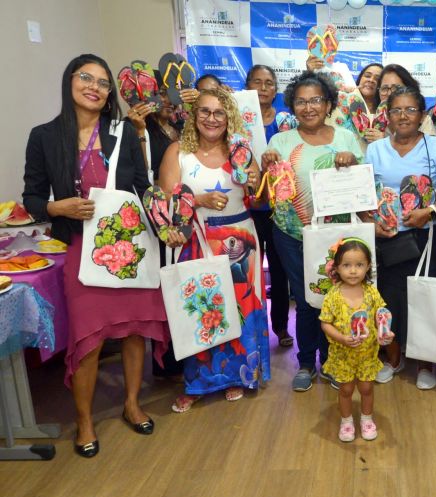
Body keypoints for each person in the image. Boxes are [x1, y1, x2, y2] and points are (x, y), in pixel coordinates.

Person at [22, 54, 170, 457]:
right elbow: (32, 197)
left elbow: (142, 185)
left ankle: (132, 403)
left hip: (130, 247)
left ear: (110, 94)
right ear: (69, 81)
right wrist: (57, 208)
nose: (94, 86)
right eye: (86, 77)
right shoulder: (45, 136)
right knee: (88, 339)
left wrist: (165, 219)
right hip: (79, 250)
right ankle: (85, 420)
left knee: (135, 330)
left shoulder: (122, 131)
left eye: (104, 82)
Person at [159, 87, 270, 413]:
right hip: (198, 239)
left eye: (219, 113)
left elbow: (261, 202)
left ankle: (238, 376)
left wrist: (257, 182)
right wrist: (199, 200)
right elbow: (165, 205)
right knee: (200, 312)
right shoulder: (177, 152)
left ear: (229, 117)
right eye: (204, 111)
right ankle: (198, 383)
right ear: (195, 116)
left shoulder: (241, 152)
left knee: (240, 312)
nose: (211, 118)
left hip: (241, 241)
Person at [262, 71, 363, 392]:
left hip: (338, 237)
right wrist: (266, 164)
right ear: (292, 106)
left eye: (316, 100)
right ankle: (306, 362)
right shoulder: (280, 141)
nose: (308, 107)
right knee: (307, 299)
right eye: (301, 102)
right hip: (291, 233)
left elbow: (363, 187)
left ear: (329, 103)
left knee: (335, 297)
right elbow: (269, 188)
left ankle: (333, 361)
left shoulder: (346, 137)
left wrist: (352, 161)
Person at [365, 87, 436, 390]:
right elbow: (365, 195)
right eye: (395, 110)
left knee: (425, 300)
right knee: (388, 302)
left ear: (422, 115)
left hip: (427, 240)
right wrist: (372, 223)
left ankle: (426, 363)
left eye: (410, 110)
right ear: (386, 116)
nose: (403, 116)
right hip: (387, 239)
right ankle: (393, 358)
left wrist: (428, 212)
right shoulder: (375, 149)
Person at [126, 72, 186, 381]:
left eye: (170, 93)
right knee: (164, 286)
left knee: (184, 283)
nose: (164, 99)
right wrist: (138, 129)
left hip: (185, 215)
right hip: (155, 213)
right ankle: (166, 362)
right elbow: (143, 170)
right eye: (158, 94)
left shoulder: (181, 126)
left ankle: (188, 353)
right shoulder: (142, 127)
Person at [320, 239, 394, 442]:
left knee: (367, 388)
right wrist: (342, 338)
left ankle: (367, 419)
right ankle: (346, 421)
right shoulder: (333, 296)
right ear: (337, 267)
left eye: (359, 265)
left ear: (368, 266)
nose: (353, 271)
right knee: (345, 389)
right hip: (343, 355)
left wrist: (386, 331)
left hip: (367, 353)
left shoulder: (371, 292)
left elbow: (381, 314)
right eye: (346, 265)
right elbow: (325, 323)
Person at [244, 64, 293, 348]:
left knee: (279, 269)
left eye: (269, 83)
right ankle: (253, 326)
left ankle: (281, 327)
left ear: (276, 89)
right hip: (247, 209)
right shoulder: (237, 121)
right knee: (249, 271)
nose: (263, 88)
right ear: (247, 86)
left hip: (279, 210)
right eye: (257, 82)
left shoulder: (286, 121)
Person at [376, 64, 435, 135]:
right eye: (384, 88)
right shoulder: (373, 120)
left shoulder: (422, 118)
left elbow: (431, 145)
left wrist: (384, 142)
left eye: (396, 88)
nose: (389, 93)